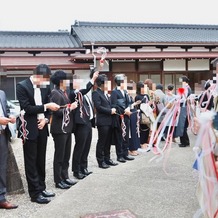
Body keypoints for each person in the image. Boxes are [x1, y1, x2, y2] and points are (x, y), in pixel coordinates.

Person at [16, 64, 60, 204]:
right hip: (29, 128)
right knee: (31, 161)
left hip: (42, 126)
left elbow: (48, 106)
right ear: (36, 76)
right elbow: (27, 108)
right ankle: (34, 193)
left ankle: (42, 187)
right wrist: (47, 107)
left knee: (41, 159)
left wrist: (46, 119)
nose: (45, 83)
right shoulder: (22, 86)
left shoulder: (45, 87)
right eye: (44, 80)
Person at [50, 70, 78, 189]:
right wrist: (70, 108)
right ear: (61, 81)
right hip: (59, 128)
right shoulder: (55, 93)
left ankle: (65, 176)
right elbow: (56, 112)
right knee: (59, 156)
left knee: (66, 155)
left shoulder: (64, 92)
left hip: (66, 127)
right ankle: (58, 180)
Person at [69, 68, 99, 179]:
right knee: (80, 147)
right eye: (77, 81)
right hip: (80, 124)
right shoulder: (74, 93)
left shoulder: (83, 93)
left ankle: (84, 167)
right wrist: (93, 79)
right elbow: (84, 90)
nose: (80, 82)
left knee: (86, 146)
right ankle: (76, 170)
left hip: (87, 122)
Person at [92, 74, 118, 168]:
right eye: (106, 83)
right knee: (102, 142)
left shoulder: (105, 93)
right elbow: (98, 107)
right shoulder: (96, 93)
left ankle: (107, 158)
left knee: (108, 142)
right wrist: (110, 111)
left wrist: (113, 108)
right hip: (102, 121)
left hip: (109, 120)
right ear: (101, 84)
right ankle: (100, 160)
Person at [0, 90, 18, 209]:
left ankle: (1, 198)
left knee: (2, 166)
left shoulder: (2, 93)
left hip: (2, 134)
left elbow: (6, 109)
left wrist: (10, 116)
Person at [111, 74, 135, 162]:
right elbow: (114, 105)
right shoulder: (114, 92)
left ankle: (126, 153)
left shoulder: (125, 91)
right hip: (119, 117)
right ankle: (120, 155)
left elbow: (129, 102)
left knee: (126, 135)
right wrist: (124, 110)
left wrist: (128, 108)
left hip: (126, 116)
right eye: (124, 81)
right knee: (119, 136)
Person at [176, 76, 192, 147]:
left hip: (184, 108)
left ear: (184, 81)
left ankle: (184, 142)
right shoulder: (187, 88)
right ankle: (185, 141)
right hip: (185, 108)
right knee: (183, 125)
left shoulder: (185, 88)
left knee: (182, 125)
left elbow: (182, 98)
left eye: (181, 81)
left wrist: (177, 100)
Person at [135, 81, 151, 149]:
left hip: (148, 113)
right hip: (141, 114)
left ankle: (145, 142)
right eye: (142, 87)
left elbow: (149, 103)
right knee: (142, 128)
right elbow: (137, 106)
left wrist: (150, 104)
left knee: (147, 128)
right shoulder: (137, 96)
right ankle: (141, 143)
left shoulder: (146, 95)